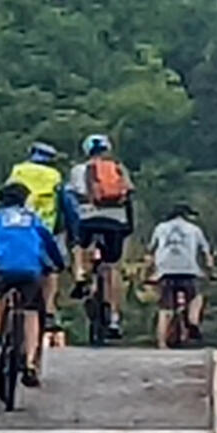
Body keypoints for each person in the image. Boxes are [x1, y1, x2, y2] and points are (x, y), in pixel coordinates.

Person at [0, 182, 66, 387]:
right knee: (31, 310)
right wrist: (58, 264)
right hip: (31, 270)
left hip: (4, 268)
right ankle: (30, 362)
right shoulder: (33, 219)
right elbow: (49, 242)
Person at [64, 134, 135, 340]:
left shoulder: (78, 170)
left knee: (79, 244)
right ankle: (113, 317)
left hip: (88, 219)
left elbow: (72, 196)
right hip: (115, 220)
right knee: (112, 266)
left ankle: (80, 275)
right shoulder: (118, 168)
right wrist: (128, 226)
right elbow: (128, 194)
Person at [4, 142, 65, 330]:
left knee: (4, 272)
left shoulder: (18, 171)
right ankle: (49, 310)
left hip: (15, 225)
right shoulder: (54, 176)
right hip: (45, 227)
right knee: (51, 270)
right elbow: (63, 204)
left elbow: (5, 196)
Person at [146, 203, 216, 348]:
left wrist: (150, 272)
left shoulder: (160, 228)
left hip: (165, 271)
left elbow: (151, 251)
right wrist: (210, 270)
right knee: (196, 296)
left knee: (165, 309)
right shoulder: (195, 229)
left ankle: (161, 343)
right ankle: (193, 320)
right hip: (188, 271)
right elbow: (206, 253)